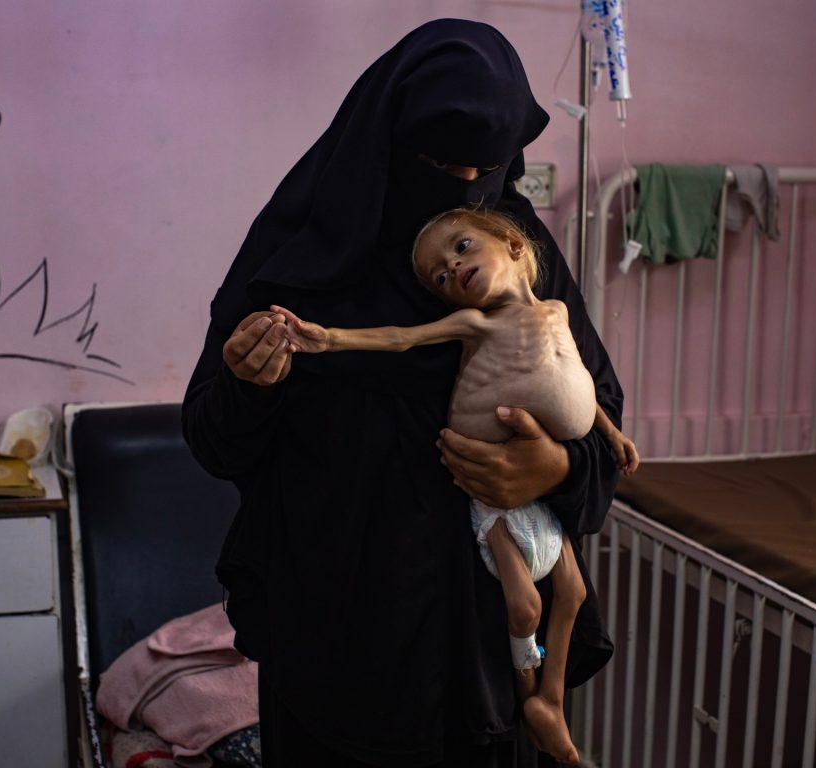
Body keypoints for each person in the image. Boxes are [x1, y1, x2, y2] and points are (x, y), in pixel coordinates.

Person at [182, 18, 625, 767]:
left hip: (485, 642)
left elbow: (599, 407)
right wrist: (250, 386)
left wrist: (556, 467)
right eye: (441, 164)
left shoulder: (514, 249)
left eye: (485, 168)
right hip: (338, 633)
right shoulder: (301, 255)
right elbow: (212, 438)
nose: (465, 189)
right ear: (388, 139)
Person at [269, 206, 640, 764]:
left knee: (574, 594)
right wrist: (329, 339)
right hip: (486, 489)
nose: (452, 269)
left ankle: (550, 701)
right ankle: (526, 694)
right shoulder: (477, 323)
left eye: (462, 247)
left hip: (539, 492)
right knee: (523, 607)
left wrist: (611, 436)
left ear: (513, 244)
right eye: (439, 276)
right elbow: (400, 339)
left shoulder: (558, 310)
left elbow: (582, 379)